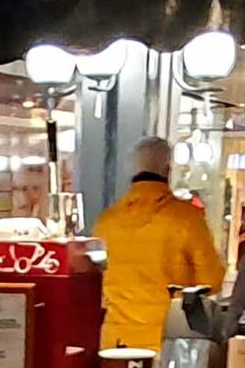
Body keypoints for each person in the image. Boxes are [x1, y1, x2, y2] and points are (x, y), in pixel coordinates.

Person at [92, 137, 225, 352]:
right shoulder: (187, 219)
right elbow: (212, 281)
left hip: (115, 341)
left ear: (133, 170)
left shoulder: (106, 222)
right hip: (165, 340)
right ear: (168, 170)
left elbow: (95, 282)